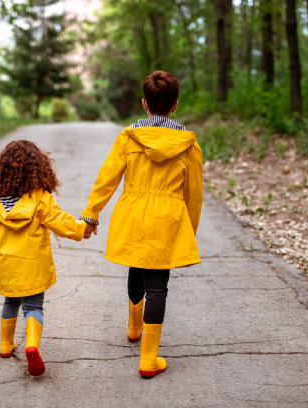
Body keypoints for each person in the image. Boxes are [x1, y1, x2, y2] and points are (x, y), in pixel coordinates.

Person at [80, 71, 203, 378]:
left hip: (134, 212)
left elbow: (106, 178)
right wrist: (189, 228)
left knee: (137, 265)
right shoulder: (188, 144)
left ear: (144, 104)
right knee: (158, 282)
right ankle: (148, 358)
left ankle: (134, 326)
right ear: (174, 106)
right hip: (168, 216)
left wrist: (91, 213)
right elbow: (194, 192)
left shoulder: (128, 136)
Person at [0, 140, 94, 376]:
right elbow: (61, 222)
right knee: (32, 306)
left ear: (1, 171)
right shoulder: (40, 199)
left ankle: (5, 345)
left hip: (6, 266)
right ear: (39, 170)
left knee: (10, 301)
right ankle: (31, 344)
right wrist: (83, 229)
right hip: (32, 265)